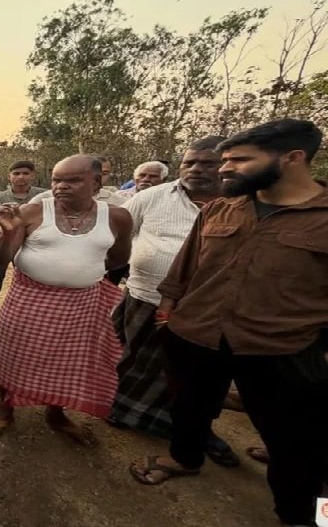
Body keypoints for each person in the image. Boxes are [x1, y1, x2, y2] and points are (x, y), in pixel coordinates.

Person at [128, 119, 328, 527]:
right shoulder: (222, 208)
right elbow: (183, 270)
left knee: (299, 441)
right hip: (196, 335)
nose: (224, 169)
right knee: (190, 407)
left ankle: (306, 517)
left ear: (292, 158)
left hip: (282, 349)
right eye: (224, 160)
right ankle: (184, 458)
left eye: (239, 160)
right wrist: (168, 317)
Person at [0, 155, 132, 445]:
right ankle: (6, 407)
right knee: (14, 355)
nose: (61, 186)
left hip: (82, 306)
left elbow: (118, 259)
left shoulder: (117, 217)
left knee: (67, 363)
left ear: (96, 182)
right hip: (29, 301)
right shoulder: (32, 212)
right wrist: (9, 234)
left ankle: (56, 413)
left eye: (73, 180)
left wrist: (80, 272)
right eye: (56, 180)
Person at [109, 137, 239, 466]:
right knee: (136, 361)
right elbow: (120, 234)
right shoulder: (152, 197)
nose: (196, 169)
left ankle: (197, 431)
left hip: (209, 311)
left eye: (207, 163)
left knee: (198, 374)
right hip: (146, 297)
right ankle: (123, 410)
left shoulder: (242, 203)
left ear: (225, 165)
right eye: (189, 163)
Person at [0, 160, 46, 335]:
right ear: (9, 176)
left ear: (33, 175)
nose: (21, 177)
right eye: (16, 173)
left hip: (33, 245)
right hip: (6, 242)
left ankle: (32, 321)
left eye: (25, 173)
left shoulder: (43, 197)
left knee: (33, 282)